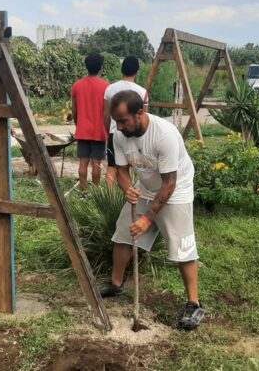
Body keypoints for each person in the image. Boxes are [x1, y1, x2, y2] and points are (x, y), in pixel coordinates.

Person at [99, 90, 203, 331]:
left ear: (140, 113)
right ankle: (116, 284)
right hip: (145, 187)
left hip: (176, 190)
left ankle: (194, 303)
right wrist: (127, 189)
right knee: (124, 234)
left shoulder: (163, 134)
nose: (120, 127)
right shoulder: (120, 135)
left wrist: (148, 218)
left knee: (183, 246)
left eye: (124, 121)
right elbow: (122, 171)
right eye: (116, 121)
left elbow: (169, 184)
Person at [103, 56, 149, 186]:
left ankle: (110, 197)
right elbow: (144, 116)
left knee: (112, 166)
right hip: (134, 133)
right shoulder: (142, 92)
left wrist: (109, 131)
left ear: (122, 70)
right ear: (137, 71)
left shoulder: (110, 89)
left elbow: (106, 114)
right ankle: (129, 193)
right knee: (132, 165)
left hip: (114, 132)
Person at [71, 53, 109, 190]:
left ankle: (83, 190)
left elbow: (74, 110)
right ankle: (96, 190)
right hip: (99, 131)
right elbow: (107, 112)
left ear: (86, 66)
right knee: (96, 163)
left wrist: (78, 124)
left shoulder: (77, 86)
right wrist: (107, 128)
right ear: (101, 67)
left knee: (83, 162)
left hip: (83, 130)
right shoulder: (106, 87)